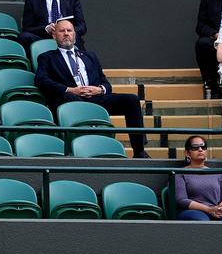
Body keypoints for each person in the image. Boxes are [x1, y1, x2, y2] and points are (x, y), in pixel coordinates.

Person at [35, 19, 149, 157]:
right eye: (62, 31)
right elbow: (41, 80)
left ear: (75, 35)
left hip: (96, 98)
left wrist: (99, 89)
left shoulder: (90, 56)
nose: (66, 34)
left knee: (131, 100)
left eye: (69, 31)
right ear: (54, 35)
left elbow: (106, 83)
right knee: (69, 98)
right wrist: (70, 89)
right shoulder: (47, 57)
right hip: (71, 100)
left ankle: (139, 152)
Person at [173, 136, 222, 220]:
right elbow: (181, 200)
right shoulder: (180, 174)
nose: (200, 149)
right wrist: (208, 209)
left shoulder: (219, 174)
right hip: (192, 211)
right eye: (195, 147)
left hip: (216, 210)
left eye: (203, 147)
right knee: (202, 220)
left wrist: (220, 208)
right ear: (187, 153)